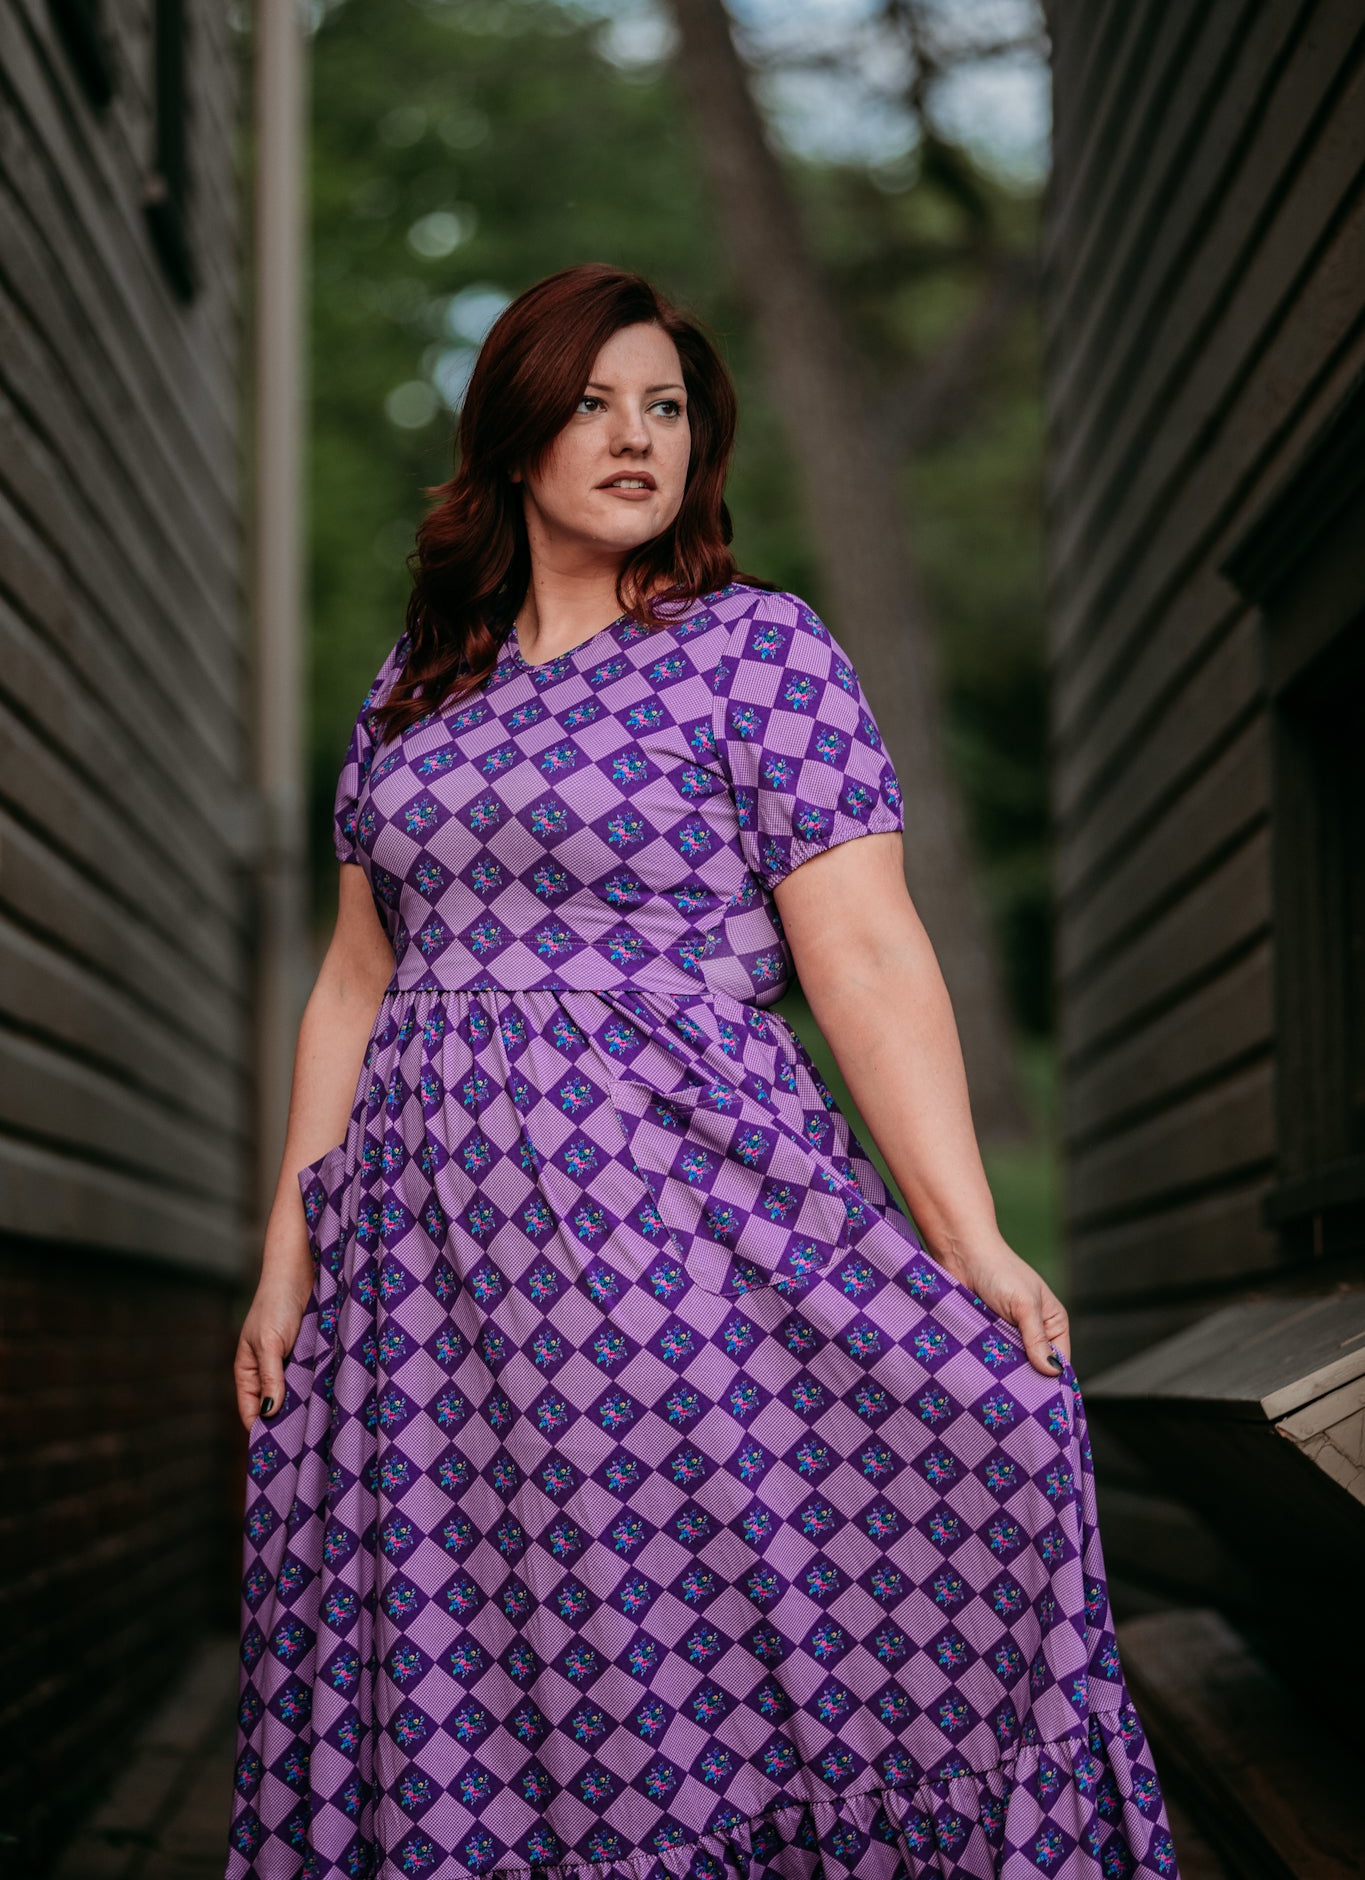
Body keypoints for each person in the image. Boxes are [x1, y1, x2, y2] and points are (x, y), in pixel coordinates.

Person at [225, 263, 1179, 1879]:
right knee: (477, 1632)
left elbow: (864, 953)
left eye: (664, 407)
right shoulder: (416, 686)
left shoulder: (754, 651)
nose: (633, 437)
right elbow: (353, 979)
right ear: (512, 432)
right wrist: (285, 1243)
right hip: (424, 1275)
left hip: (675, 1228)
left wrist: (965, 1236)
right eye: (592, 403)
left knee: (671, 1615)